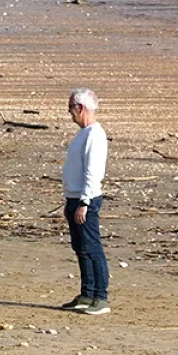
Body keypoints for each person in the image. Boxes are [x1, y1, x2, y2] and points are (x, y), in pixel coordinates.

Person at [59, 88, 110, 314]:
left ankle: (100, 297)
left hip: (85, 199)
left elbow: (93, 172)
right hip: (74, 197)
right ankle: (87, 293)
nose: (70, 113)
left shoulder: (94, 135)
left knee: (92, 247)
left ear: (80, 108)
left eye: (71, 108)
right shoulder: (83, 133)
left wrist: (85, 202)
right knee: (80, 248)